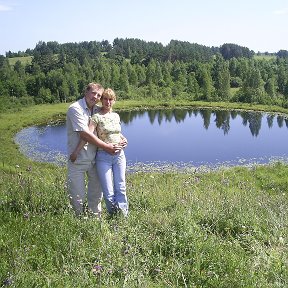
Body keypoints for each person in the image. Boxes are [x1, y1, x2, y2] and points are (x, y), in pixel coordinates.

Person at [66, 82, 122, 217]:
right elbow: (85, 134)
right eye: (93, 93)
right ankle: (79, 219)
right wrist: (106, 147)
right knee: (77, 194)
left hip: (95, 157)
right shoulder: (75, 109)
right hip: (78, 159)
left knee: (96, 193)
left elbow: (109, 127)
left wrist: (122, 138)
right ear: (86, 92)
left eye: (98, 95)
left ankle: (95, 217)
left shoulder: (97, 110)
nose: (95, 97)